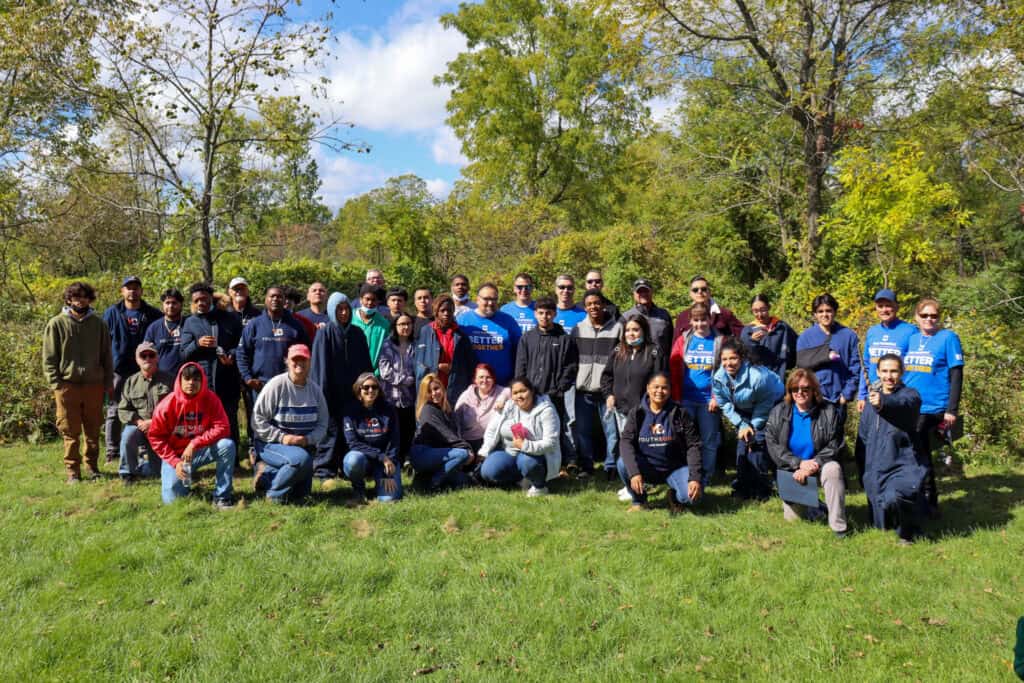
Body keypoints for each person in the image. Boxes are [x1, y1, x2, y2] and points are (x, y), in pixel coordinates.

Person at [43, 281, 113, 483]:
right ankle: (73, 471)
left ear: (89, 299)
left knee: (92, 429)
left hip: (94, 385)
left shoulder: (99, 324)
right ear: (68, 299)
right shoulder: (56, 323)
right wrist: (57, 384)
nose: (80, 300)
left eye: (84, 296)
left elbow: (106, 355)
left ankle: (92, 467)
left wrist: (107, 381)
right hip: (67, 385)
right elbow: (49, 357)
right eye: (76, 296)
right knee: (70, 430)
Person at [765, 369, 848, 536]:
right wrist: (799, 464)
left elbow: (835, 444)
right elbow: (772, 444)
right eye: (795, 389)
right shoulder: (778, 411)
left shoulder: (829, 411)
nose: (800, 393)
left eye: (805, 388)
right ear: (789, 391)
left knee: (833, 469)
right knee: (794, 521)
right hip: (792, 470)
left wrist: (814, 464)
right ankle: (816, 505)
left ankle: (838, 527)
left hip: (820, 465)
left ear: (813, 390)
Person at [903, 297, 964, 516]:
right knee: (913, 452)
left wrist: (952, 409)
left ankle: (929, 501)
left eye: (934, 316)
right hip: (909, 406)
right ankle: (916, 497)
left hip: (933, 406)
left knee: (921, 453)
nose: (929, 319)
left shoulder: (948, 338)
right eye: (924, 315)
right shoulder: (911, 338)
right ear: (916, 317)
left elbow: (956, 374)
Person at [859, 354, 928, 544]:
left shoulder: (911, 395)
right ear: (878, 373)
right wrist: (862, 471)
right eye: (885, 371)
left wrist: (882, 403)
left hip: (903, 463)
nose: (889, 376)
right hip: (876, 465)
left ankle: (908, 533)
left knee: (896, 496)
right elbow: (863, 439)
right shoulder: (868, 403)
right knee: (880, 522)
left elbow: (903, 405)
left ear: (901, 373)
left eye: (894, 371)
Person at [148, 362, 236, 507]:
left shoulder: (210, 399)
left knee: (227, 445)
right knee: (172, 501)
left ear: (202, 381)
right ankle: (183, 482)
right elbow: (156, 437)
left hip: (200, 451)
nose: (191, 383)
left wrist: (195, 443)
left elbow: (223, 427)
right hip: (176, 455)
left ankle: (222, 496)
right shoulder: (167, 404)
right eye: (187, 379)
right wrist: (175, 462)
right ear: (179, 380)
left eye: (196, 379)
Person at [251, 344, 328, 503]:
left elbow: (323, 424)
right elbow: (257, 420)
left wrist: (309, 439)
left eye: (303, 359)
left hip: (303, 447)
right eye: (295, 359)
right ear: (287, 361)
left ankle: (266, 477)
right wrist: (283, 438)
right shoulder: (276, 385)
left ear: (310, 362)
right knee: (300, 460)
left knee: (301, 496)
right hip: (270, 444)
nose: (299, 363)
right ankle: (274, 497)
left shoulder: (315, 390)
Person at [617, 373, 703, 512]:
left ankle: (674, 496)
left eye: (664, 388)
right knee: (622, 463)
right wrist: (634, 473)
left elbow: (694, 445)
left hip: (675, 468)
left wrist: (694, 478)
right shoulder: (637, 413)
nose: (659, 391)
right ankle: (639, 501)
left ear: (670, 390)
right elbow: (626, 442)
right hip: (648, 467)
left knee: (692, 498)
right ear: (648, 388)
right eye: (655, 387)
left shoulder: (680, 413)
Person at [310, 292, 373, 480]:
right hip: (330, 395)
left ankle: (348, 469)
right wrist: (322, 396)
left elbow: (365, 365)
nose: (344, 313)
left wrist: (366, 389)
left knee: (351, 432)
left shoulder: (357, 333)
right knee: (330, 433)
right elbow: (319, 368)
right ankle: (324, 471)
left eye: (346, 309)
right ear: (332, 311)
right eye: (339, 309)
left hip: (353, 395)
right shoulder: (324, 334)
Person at [712, 338, 785, 500]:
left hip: (771, 405)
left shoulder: (758, 376)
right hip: (744, 409)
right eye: (724, 359)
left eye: (733, 358)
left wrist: (752, 426)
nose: (728, 363)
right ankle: (742, 487)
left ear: (742, 358)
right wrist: (742, 424)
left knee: (756, 444)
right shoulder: (718, 377)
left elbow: (765, 405)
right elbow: (724, 404)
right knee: (742, 447)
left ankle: (762, 489)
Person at [515, 297, 579, 475]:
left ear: (555, 314)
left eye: (549, 313)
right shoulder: (527, 338)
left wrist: (560, 387)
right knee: (530, 430)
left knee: (554, 433)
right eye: (541, 313)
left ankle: (558, 467)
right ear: (535, 314)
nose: (545, 317)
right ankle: (531, 465)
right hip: (531, 396)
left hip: (554, 395)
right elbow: (521, 366)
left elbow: (571, 366)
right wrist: (522, 391)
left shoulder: (564, 339)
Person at [103, 275, 162, 463]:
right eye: (128, 288)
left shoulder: (152, 313)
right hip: (118, 370)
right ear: (122, 291)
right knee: (114, 410)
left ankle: (146, 449)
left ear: (141, 291)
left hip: (144, 371)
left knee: (147, 410)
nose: (132, 291)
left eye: (136, 287)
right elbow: (103, 342)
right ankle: (112, 451)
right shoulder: (112, 313)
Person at [180, 282, 244, 447]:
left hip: (228, 378)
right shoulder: (190, 322)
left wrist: (232, 355)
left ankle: (234, 459)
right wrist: (197, 344)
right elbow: (183, 354)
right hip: (203, 382)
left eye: (204, 299)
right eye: (197, 300)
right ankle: (205, 456)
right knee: (204, 421)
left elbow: (242, 346)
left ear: (211, 299)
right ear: (193, 302)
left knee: (229, 418)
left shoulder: (230, 318)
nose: (201, 303)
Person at [479, 377, 561, 497]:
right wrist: (484, 451)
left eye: (523, 391)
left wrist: (525, 445)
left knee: (527, 461)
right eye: (515, 393)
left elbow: (551, 443)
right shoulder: (508, 406)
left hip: (537, 457)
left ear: (532, 391)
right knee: (488, 470)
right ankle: (520, 480)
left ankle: (539, 486)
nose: (519, 396)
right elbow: (492, 429)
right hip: (510, 454)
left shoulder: (546, 410)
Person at [669, 302, 722, 488]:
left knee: (708, 441)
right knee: (684, 440)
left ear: (710, 319)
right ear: (691, 321)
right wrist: (675, 396)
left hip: (709, 401)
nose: (700, 324)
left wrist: (717, 397)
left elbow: (725, 372)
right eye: (696, 320)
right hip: (686, 399)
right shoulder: (684, 340)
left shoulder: (719, 341)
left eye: (703, 319)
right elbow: (674, 368)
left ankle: (705, 478)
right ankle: (687, 475)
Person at [572, 288, 622, 479]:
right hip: (583, 391)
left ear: (603, 304)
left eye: (597, 303)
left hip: (607, 391)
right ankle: (587, 466)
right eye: (589, 304)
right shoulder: (578, 329)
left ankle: (611, 467)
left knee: (611, 432)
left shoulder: (617, 328)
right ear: (585, 307)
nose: (593, 307)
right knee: (583, 432)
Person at [236, 285, 310, 403]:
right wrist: (247, 378)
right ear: (266, 299)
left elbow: (307, 354)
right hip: (260, 386)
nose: (275, 299)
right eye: (272, 296)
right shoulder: (254, 325)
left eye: (279, 297)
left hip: (289, 385)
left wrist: (300, 378)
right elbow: (241, 353)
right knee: (259, 421)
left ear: (284, 300)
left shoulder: (296, 326)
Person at [796, 294, 861, 424]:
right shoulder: (806, 337)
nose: (824, 315)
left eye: (828, 311)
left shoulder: (848, 336)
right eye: (820, 311)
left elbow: (856, 368)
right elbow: (801, 367)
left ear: (835, 312)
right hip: (812, 400)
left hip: (837, 400)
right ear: (815, 314)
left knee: (835, 439)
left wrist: (846, 395)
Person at [117, 342, 174, 482]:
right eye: (143, 355)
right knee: (128, 435)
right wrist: (139, 422)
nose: (147, 358)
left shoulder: (169, 380)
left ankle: (144, 465)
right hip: (140, 427)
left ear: (157, 358)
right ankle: (127, 473)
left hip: (162, 428)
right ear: (137, 359)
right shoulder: (131, 381)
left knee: (157, 472)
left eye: (151, 355)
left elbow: (176, 407)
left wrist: (154, 422)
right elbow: (123, 409)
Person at [342, 372, 403, 502]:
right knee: (352, 460)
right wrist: (380, 456)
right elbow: (353, 444)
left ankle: (380, 483)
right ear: (359, 391)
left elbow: (394, 440)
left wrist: (390, 461)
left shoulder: (389, 410)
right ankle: (359, 489)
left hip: (386, 461)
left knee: (388, 500)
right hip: (364, 459)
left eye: (374, 387)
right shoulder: (349, 413)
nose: (371, 390)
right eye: (366, 387)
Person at [409, 374, 475, 491]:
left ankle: (424, 479)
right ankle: (434, 484)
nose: (434, 393)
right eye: (429, 391)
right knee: (462, 454)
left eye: (436, 388)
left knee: (465, 481)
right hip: (422, 453)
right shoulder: (428, 410)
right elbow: (446, 435)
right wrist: (466, 448)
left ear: (442, 388)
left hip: (437, 455)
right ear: (425, 395)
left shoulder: (446, 410)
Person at [415, 294, 477, 405]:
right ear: (436, 311)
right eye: (442, 310)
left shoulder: (461, 336)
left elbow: (470, 365)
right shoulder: (426, 331)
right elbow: (418, 362)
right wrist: (437, 367)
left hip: (455, 388)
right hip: (432, 388)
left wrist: (453, 369)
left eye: (449, 310)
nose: (446, 313)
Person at [456, 283, 520, 385]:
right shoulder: (463, 320)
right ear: (477, 299)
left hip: (503, 385)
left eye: (494, 299)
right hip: (472, 385)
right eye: (486, 299)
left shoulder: (508, 321)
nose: (490, 303)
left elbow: (519, 352)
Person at [377, 312, 418, 460]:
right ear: (395, 326)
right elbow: (384, 371)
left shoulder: (416, 346)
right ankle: (391, 459)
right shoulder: (387, 344)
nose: (405, 327)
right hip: (391, 396)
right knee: (392, 430)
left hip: (410, 397)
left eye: (408, 324)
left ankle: (405, 459)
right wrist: (404, 380)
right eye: (401, 324)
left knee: (408, 430)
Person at [454, 364, 511, 452]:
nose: (484, 380)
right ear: (475, 380)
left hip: (492, 441)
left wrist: (502, 398)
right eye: (481, 377)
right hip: (469, 441)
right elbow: (456, 421)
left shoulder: (499, 391)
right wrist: (461, 444)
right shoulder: (466, 396)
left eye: (488, 377)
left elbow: (510, 391)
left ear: (493, 379)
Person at [739, 294, 797, 380]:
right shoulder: (748, 331)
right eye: (755, 311)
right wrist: (752, 342)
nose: (760, 314)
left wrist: (787, 364)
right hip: (757, 380)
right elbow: (743, 356)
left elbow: (796, 344)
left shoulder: (781, 327)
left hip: (779, 378)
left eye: (763, 310)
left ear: (769, 307)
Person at [672, 275, 743, 341]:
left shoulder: (725, 314)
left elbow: (742, 335)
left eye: (703, 289)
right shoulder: (682, 317)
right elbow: (676, 345)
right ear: (690, 294)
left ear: (709, 292)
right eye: (695, 290)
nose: (700, 292)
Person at [622, 278, 673, 356]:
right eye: (639, 291)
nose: (643, 294)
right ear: (634, 294)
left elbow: (672, 342)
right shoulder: (626, 317)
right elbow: (621, 346)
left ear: (652, 292)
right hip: (636, 364)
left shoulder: (664, 315)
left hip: (662, 364)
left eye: (646, 291)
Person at [143, 287, 186, 376]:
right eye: (167, 303)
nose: (170, 306)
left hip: (186, 378)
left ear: (181, 304)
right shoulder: (153, 328)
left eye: (174, 303)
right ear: (162, 305)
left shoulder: (189, 323)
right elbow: (145, 354)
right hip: (161, 380)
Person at [353, 283, 392, 369]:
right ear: (360, 300)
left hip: (373, 375)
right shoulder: (350, 318)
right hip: (350, 372)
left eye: (374, 300)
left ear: (378, 302)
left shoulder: (384, 324)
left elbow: (385, 351)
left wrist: (377, 372)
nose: (370, 303)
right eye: (367, 299)